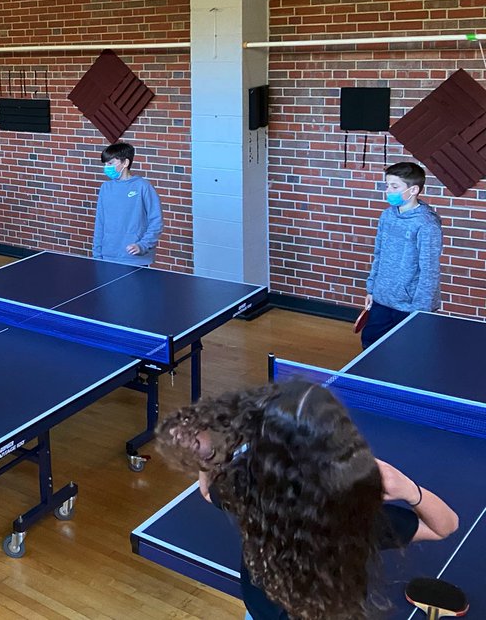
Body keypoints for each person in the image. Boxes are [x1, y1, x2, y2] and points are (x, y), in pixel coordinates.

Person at [158, 380, 458, 620]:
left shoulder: (248, 497)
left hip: (259, 612)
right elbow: (444, 526)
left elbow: (208, 492)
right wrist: (408, 489)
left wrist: (206, 454)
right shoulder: (354, 525)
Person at [362, 161, 442, 348]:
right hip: (381, 299)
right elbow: (379, 254)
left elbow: (429, 271)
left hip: (410, 306)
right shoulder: (387, 216)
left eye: (395, 186)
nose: (388, 191)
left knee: (405, 352)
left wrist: (421, 310)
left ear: (413, 190)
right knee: (370, 345)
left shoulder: (426, 224)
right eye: (387, 185)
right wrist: (371, 289)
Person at [92, 141, 163, 266]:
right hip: (108, 256)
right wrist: (97, 253)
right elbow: (100, 222)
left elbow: (156, 221)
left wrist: (143, 245)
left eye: (110, 163)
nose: (106, 167)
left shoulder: (143, 186)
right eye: (105, 164)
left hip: (135, 259)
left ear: (125, 163)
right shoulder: (105, 188)